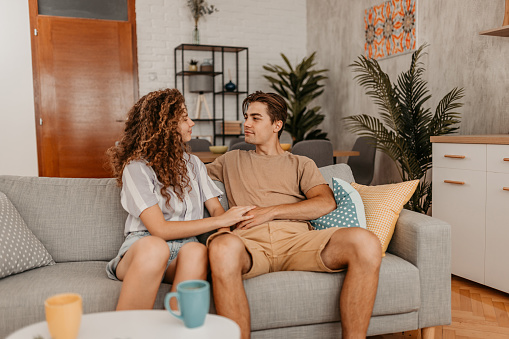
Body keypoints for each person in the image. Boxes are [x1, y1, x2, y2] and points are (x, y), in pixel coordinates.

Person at [206, 91, 382, 339]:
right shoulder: (230, 160)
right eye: (246, 117)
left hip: (298, 241)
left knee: (366, 242)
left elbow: (325, 202)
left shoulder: (301, 163)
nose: (246, 124)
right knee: (221, 248)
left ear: (277, 125)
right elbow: (190, 177)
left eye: (255, 118)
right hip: (249, 242)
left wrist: (271, 212)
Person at [106, 88, 254, 310]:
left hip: (185, 248)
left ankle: (174, 327)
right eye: (185, 118)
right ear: (164, 126)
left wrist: (227, 226)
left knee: (197, 251)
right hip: (143, 246)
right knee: (157, 247)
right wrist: (220, 222)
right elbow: (160, 230)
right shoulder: (137, 168)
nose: (192, 123)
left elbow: (215, 209)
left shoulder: (194, 164)